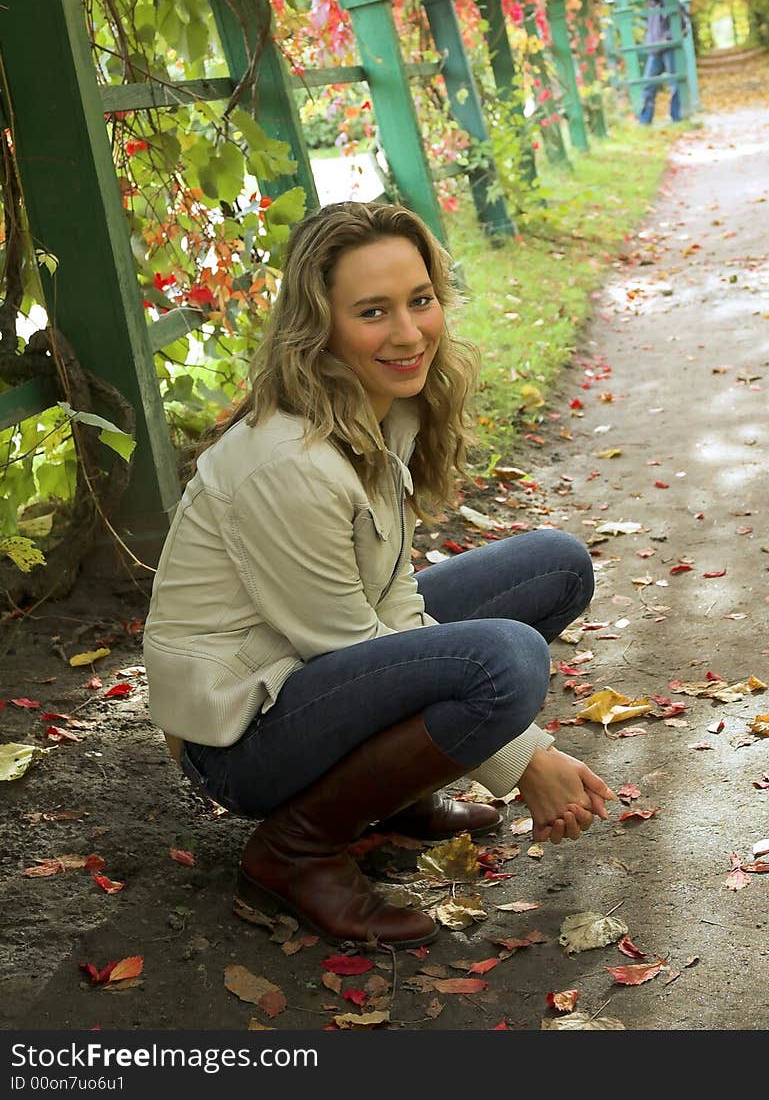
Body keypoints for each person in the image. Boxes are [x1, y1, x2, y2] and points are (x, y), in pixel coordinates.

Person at [143, 200, 615, 947]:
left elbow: (389, 599)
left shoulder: (381, 409)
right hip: (240, 735)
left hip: (307, 668)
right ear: (319, 326)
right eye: (373, 312)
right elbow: (349, 645)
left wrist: (514, 748)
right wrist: (530, 760)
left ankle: (390, 794)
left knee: (554, 566)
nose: (408, 333)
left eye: (420, 301)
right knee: (505, 662)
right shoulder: (286, 461)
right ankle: (293, 851)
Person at [638, 0, 681, 126]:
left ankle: (677, 117)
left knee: (674, 82)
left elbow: (679, 20)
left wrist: (668, 37)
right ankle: (645, 120)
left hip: (667, 45)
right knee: (649, 84)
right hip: (655, 47)